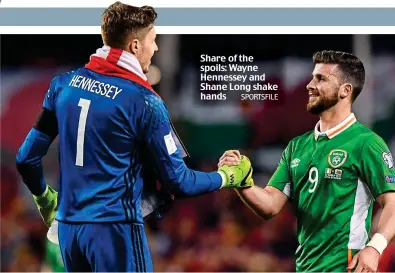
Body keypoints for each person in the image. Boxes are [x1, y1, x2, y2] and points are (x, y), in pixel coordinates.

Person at [15, 1, 252, 272]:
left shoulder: (63, 85)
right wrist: (228, 177)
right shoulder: (143, 101)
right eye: (153, 40)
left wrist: (45, 200)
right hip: (115, 230)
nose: (156, 48)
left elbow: (25, 158)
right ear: (135, 46)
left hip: (70, 232)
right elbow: (180, 181)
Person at [219, 50, 395, 272]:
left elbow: (394, 206)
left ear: (345, 91)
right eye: (312, 77)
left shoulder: (366, 143)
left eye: (321, 78)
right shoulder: (297, 146)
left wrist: (374, 248)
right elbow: (270, 204)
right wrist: (243, 183)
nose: (309, 85)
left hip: (345, 266)